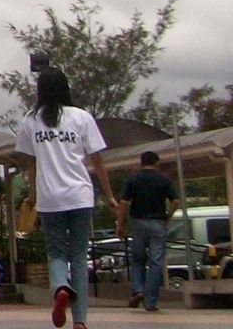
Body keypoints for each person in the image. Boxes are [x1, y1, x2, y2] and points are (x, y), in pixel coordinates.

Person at [15, 66, 116, 329]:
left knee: (57, 253)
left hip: (50, 199)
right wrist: (110, 196)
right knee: (80, 257)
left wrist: (32, 195)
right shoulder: (81, 118)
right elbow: (97, 161)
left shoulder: (30, 121)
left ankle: (61, 287)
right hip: (80, 196)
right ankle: (80, 320)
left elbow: (31, 164)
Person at [119, 150, 179, 311]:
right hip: (157, 222)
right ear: (157, 163)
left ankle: (137, 290)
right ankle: (150, 301)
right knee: (156, 262)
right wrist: (167, 217)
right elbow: (175, 201)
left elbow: (124, 202)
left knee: (138, 259)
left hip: (138, 222)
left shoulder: (133, 180)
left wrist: (120, 223)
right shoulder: (164, 180)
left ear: (141, 163)